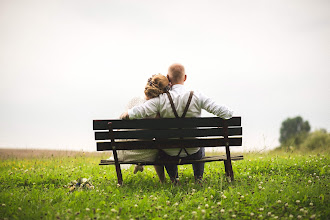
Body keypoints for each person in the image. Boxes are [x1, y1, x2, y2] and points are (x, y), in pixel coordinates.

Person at [120, 63, 233, 183]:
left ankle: (174, 179)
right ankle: (198, 178)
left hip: (170, 153)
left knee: (165, 147)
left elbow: (136, 112)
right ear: (185, 77)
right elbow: (226, 113)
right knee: (200, 146)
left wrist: (125, 115)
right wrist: (230, 113)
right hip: (193, 151)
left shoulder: (160, 99)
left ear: (168, 78)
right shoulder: (198, 96)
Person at [117, 73, 170, 183]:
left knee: (141, 137)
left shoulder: (135, 100)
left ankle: (139, 164)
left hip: (125, 150)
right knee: (158, 148)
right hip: (147, 151)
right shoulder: (156, 108)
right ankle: (162, 180)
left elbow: (121, 120)